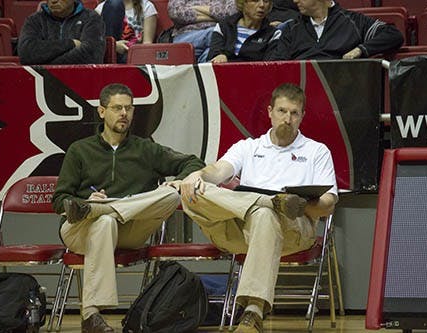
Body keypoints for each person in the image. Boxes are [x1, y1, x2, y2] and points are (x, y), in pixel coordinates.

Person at [180, 83, 338, 333]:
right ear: (270, 112)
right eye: (282, 111)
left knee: (265, 216)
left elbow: (328, 205)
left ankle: (253, 311)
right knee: (191, 190)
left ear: (302, 116)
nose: (287, 119)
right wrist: (196, 175)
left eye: (294, 113)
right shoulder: (249, 147)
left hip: (294, 232)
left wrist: (301, 206)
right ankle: (270, 201)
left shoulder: (316, 151)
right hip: (240, 231)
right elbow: (219, 171)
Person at [52, 83, 205, 332]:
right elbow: (60, 200)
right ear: (102, 112)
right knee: (103, 222)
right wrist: (86, 204)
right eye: (117, 108)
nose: (124, 113)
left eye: (129, 108)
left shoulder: (146, 149)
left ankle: (105, 209)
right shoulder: (80, 150)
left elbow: (192, 161)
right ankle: (91, 313)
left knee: (169, 194)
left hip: (129, 229)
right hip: (81, 227)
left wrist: (185, 178)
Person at [265, 0, 404, 60]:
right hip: (300, 100)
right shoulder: (291, 28)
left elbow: (393, 34)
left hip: (342, 98)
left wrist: (360, 50)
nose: (294, 0)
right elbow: (276, 65)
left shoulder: (354, 21)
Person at [18, 0, 105, 65]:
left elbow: (91, 56)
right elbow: (26, 54)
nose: (53, 1)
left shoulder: (91, 18)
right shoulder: (34, 20)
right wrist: (71, 44)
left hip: (82, 80)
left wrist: (45, 65)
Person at [208, 0, 280, 63]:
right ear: (242, 3)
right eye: (255, 0)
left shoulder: (273, 34)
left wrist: (229, 61)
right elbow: (214, 54)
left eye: (266, 1)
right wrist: (219, 56)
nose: (262, 5)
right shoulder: (224, 27)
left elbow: (268, 65)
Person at [168, 0, 238, 62]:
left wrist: (195, 9)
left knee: (212, 54)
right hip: (186, 37)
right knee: (215, 33)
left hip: (214, 42)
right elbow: (175, 12)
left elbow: (231, 13)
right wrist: (214, 16)